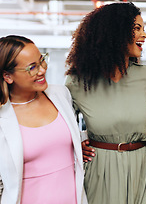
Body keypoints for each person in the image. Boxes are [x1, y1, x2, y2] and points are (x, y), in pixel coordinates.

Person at [65, 2, 146, 204]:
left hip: (142, 169)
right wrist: (74, 146)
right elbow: (59, 127)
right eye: (137, 28)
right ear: (115, 32)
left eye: (143, 29)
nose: (144, 35)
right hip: (100, 171)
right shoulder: (77, 82)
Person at [0, 35, 86, 204]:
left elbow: (56, 142)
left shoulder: (60, 94)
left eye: (42, 61)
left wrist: (79, 145)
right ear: (8, 76)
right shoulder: (2, 118)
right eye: (32, 67)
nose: (42, 70)